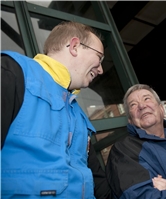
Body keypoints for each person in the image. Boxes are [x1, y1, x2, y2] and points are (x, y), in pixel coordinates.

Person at [1, 21, 111, 199]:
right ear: (75, 46)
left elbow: (96, 180)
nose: (100, 69)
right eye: (99, 57)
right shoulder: (12, 72)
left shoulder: (79, 116)